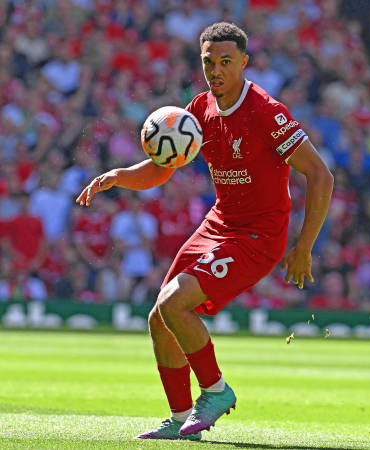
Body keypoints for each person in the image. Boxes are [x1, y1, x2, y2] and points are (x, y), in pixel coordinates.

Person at [76, 22, 333, 441]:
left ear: (244, 63)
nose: (216, 70)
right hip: (219, 223)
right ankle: (180, 420)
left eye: (226, 62)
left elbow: (320, 176)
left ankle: (215, 391)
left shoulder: (268, 112)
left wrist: (304, 247)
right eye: (209, 62)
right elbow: (164, 167)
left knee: (176, 305)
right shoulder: (198, 109)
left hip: (259, 236)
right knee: (160, 318)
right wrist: (119, 176)